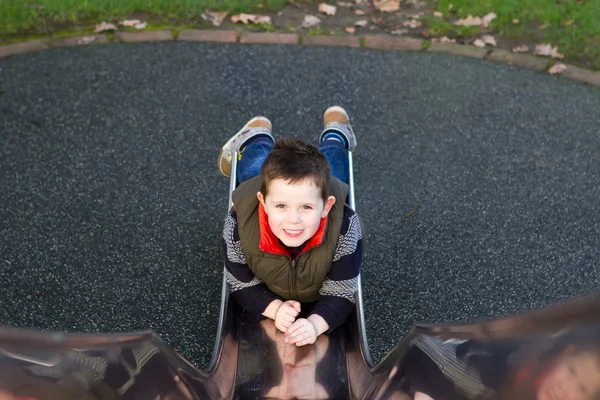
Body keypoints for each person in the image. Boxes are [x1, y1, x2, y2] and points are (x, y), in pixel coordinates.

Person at [219, 106, 363, 347]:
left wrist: (316, 323)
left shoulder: (345, 230)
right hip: (263, 189)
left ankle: (336, 134)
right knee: (254, 171)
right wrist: (274, 309)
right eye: (281, 207)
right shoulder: (237, 228)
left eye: (306, 208)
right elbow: (239, 281)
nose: (293, 220)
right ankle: (256, 136)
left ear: (326, 207)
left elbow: (343, 289)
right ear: (263, 203)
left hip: (318, 193)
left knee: (335, 173)